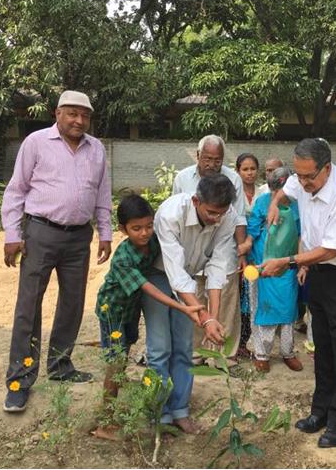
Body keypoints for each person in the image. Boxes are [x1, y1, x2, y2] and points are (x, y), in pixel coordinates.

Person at [1, 90, 112, 413]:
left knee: (72, 303)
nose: (79, 121)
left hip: (79, 238)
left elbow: (102, 194)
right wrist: (13, 234)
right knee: (28, 305)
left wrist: (105, 233)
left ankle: (61, 366)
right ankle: (20, 379)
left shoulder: (97, 149)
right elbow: (16, 190)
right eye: (72, 114)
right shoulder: (35, 143)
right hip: (40, 233)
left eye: (85, 115)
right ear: (57, 114)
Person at [262, 138, 336, 449]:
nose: (304, 183)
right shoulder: (303, 179)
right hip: (320, 271)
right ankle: (321, 411)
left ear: (327, 168)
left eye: (309, 177)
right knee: (322, 343)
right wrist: (275, 201)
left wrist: (288, 261)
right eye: (299, 175)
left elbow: (331, 249)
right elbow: (287, 191)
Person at [91, 195, 204, 441]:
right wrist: (182, 306)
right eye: (136, 228)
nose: (144, 233)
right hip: (114, 312)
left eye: (148, 226)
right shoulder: (123, 257)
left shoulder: (153, 242)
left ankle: (154, 409)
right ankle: (106, 422)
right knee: (116, 363)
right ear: (122, 229)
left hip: (131, 311)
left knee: (127, 356)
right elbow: (149, 289)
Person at [142, 174, 236, 433]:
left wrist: (212, 318)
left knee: (184, 347)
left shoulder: (227, 216)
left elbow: (218, 266)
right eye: (211, 213)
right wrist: (204, 317)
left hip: (190, 278)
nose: (217, 219)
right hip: (159, 277)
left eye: (222, 213)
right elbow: (174, 272)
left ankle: (180, 410)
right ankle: (158, 413)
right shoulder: (171, 213)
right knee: (160, 348)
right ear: (196, 201)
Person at [172, 135, 247, 366]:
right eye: (207, 159)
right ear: (198, 156)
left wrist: (242, 253)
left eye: (217, 160)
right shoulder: (182, 178)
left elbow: (239, 218)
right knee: (193, 300)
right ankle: (196, 352)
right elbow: (177, 217)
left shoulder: (233, 178)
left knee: (225, 301)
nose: (212, 164)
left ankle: (224, 355)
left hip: (224, 247)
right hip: (191, 251)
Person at [247, 166, 303, 373]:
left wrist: (301, 264)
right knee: (264, 309)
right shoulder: (262, 203)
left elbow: (300, 235)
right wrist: (246, 249)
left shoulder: (299, 206)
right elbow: (252, 230)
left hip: (287, 263)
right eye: (272, 190)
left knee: (288, 309)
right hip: (263, 263)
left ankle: (288, 352)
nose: (275, 195)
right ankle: (262, 353)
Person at [235, 153, 261, 359]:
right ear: (238, 171)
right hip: (236, 252)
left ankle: (243, 343)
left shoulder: (263, 194)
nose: (249, 173)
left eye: (253, 169)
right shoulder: (234, 194)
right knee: (234, 297)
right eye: (245, 169)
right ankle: (230, 343)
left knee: (250, 300)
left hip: (257, 253)